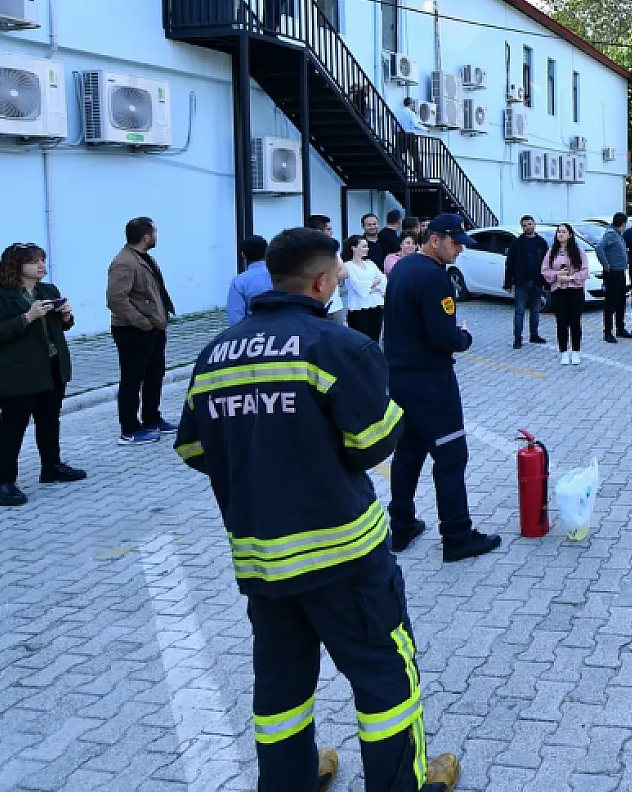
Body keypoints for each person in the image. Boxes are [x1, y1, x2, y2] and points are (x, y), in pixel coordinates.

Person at [173, 226, 462, 792]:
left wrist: (262, 464)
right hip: (344, 555)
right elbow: (373, 443)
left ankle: (291, 780)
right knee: (384, 676)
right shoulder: (336, 345)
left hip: (261, 557)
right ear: (324, 281)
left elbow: (192, 447)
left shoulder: (216, 353)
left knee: (280, 687)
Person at [383, 214, 500, 562]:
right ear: (435, 240)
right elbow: (443, 336)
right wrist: (463, 336)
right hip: (430, 382)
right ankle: (457, 535)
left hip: (400, 377)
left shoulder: (403, 268)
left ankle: (401, 526)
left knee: (408, 453)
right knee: (451, 456)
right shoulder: (434, 277)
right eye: (456, 241)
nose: (461, 248)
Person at [0, 242, 87, 506]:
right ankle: (4, 483)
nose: (41, 266)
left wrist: (67, 316)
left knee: (50, 420)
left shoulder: (47, 290)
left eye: (42, 260)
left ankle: (52, 466)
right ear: (16, 266)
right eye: (34, 261)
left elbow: (61, 328)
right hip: (17, 373)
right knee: (12, 427)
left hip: (51, 367)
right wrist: (27, 317)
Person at [107, 215, 176, 447]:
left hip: (153, 328)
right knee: (132, 379)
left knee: (154, 375)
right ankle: (129, 428)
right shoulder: (125, 262)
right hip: (134, 330)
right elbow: (116, 298)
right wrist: (141, 322)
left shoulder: (143, 258)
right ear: (146, 236)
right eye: (155, 233)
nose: (156, 237)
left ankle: (151, 419)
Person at [542, 223, 590, 365]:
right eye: (559, 232)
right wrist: (557, 275)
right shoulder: (552, 252)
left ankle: (576, 351)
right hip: (558, 291)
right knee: (561, 322)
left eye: (563, 232)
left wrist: (571, 278)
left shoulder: (578, 251)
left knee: (575, 321)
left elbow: (585, 271)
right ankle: (563, 351)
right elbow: (544, 270)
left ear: (569, 234)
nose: (560, 234)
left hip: (575, 290)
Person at [502, 215, 548, 350]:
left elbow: (547, 264)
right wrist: (508, 283)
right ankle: (517, 338)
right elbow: (510, 263)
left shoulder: (541, 242)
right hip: (522, 282)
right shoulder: (517, 243)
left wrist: (547, 282)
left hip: (537, 282)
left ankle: (534, 335)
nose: (528, 227)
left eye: (530, 224)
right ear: (522, 227)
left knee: (535, 311)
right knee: (519, 311)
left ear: (534, 224)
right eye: (525, 225)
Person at [342, 235, 388, 342]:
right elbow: (358, 286)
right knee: (360, 340)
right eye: (363, 246)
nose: (367, 249)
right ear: (354, 248)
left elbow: (383, 280)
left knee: (375, 339)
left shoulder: (370, 264)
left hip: (376, 306)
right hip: (358, 308)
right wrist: (374, 284)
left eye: (367, 246)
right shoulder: (348, 266)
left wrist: (371, 286)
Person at [306, 215, 349, 324]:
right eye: (328, 229)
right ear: (318, 231)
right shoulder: (305, 251)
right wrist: (333, 275)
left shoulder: (332, 250)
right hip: (313, 305)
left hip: (335, 305)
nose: (331, 232)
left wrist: (327, 276)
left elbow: (344, 273)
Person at [596, 213, 631, 342]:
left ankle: (620, 328)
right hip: (613, 273)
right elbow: (599, 248)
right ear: (623, 224)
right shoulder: (610, 233)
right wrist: (606, 265)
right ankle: (608, 332)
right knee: (611, 303)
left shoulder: (617, 234)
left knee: (621, 301)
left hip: (620, 272)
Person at [226, 235, 273, 327]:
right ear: (267, 251)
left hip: (253, 332)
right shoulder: (280, 275)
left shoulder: (239, 282)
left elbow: (235, 318)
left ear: (243, 255)